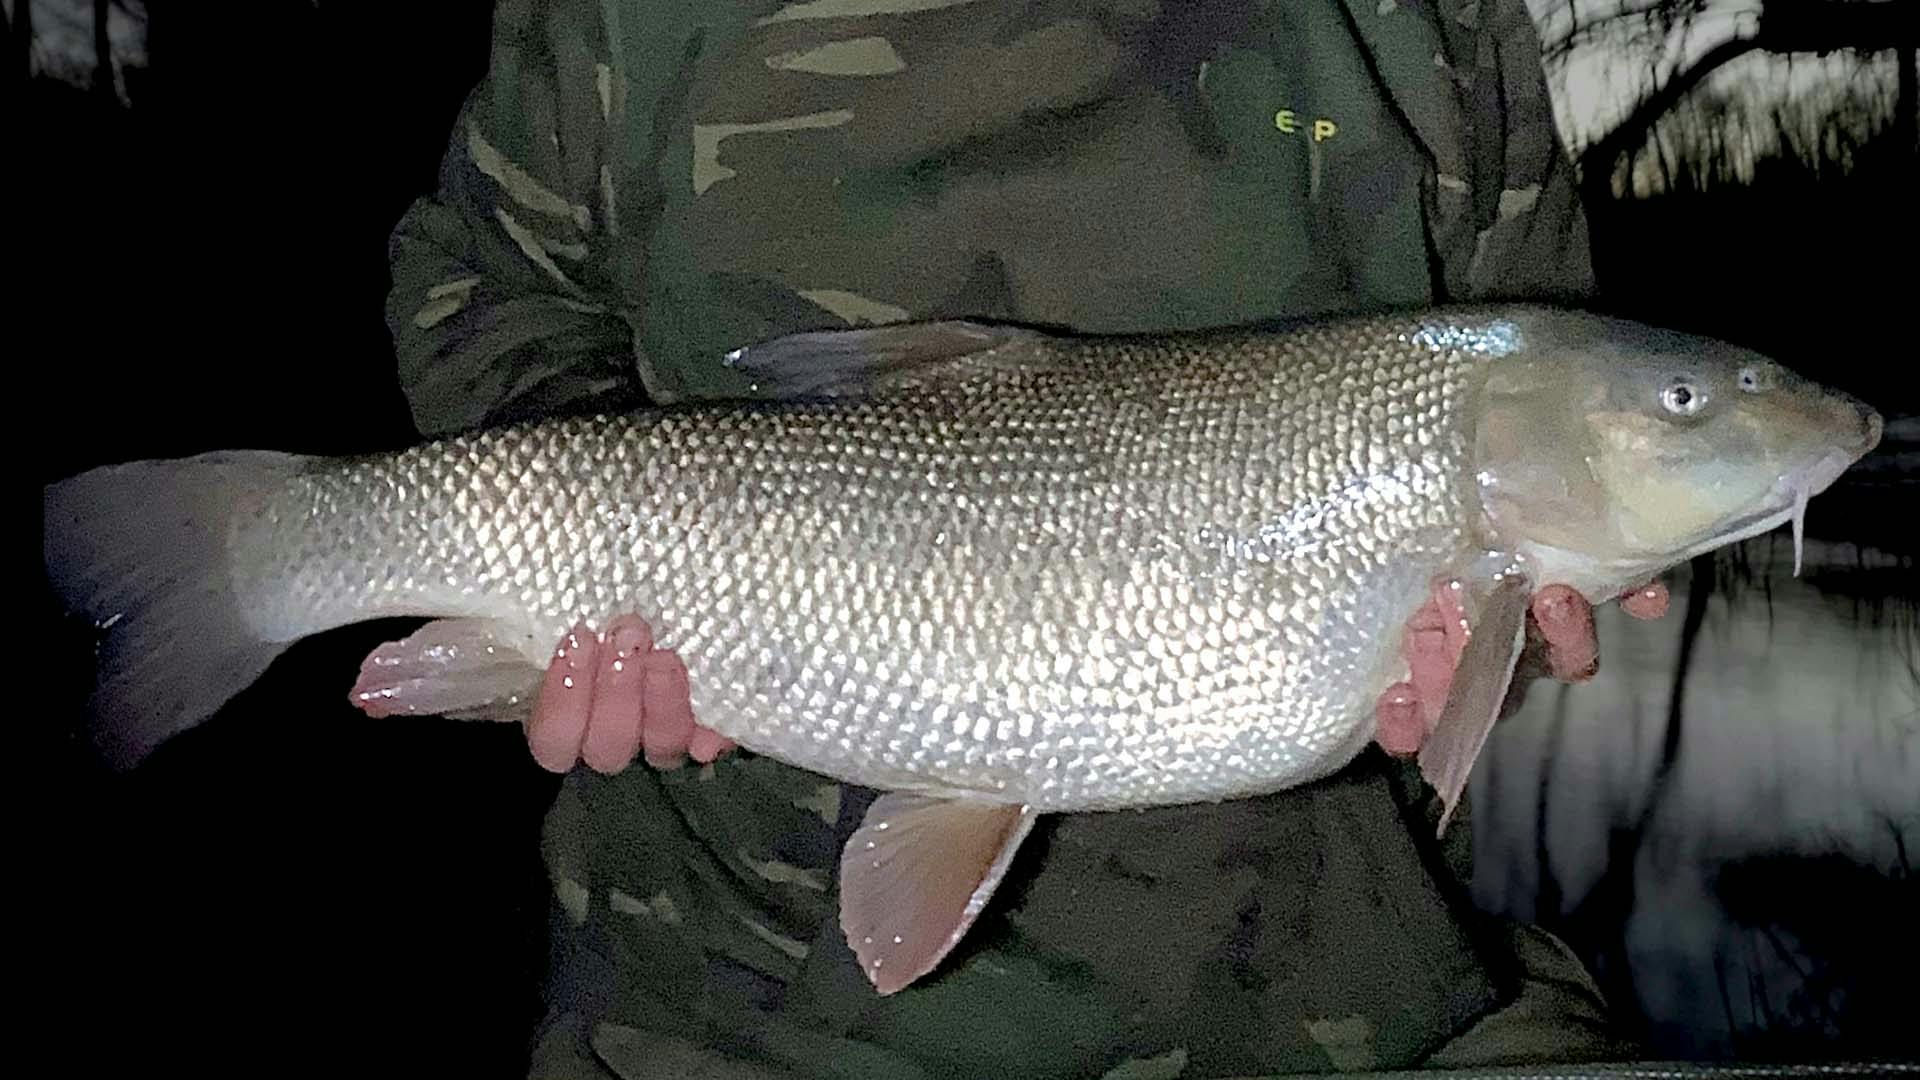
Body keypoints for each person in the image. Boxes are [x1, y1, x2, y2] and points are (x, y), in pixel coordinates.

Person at [385, 2, 1666, 1076]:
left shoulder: (1420, 22)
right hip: (733, 1004)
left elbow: (1540, 368)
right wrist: (583, 556)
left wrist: (1511, 631)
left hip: (1357, 986)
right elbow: (489, 292)